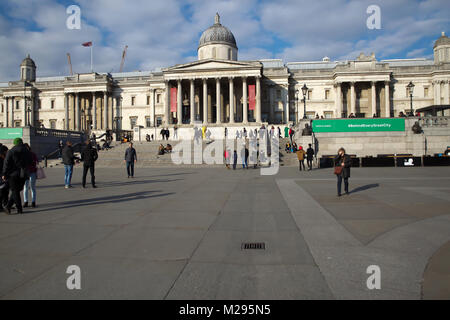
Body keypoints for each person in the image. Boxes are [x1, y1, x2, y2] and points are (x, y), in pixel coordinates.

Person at [2, 138, 32, 214]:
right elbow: (30, 161)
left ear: (15, 143)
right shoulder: (27, 151)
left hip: (12, 174)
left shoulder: (11, 151)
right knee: (17, 190)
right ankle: (10, 207)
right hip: (24, 173)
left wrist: (4, 173)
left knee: (15, 191)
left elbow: (6, 163)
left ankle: (17, 208)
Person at [23, 144, 38, 208]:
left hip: (27, 172)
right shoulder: (33, 154)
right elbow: (37, 162)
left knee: (26, 188)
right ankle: (32, 202)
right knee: (31, 187)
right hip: (32, 172)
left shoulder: (23, 154)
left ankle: (27, 202)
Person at [0, 145, 9, 211]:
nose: (7, 152)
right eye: (6, 151)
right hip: (2, 177)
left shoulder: (4, 157)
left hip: (4, 176)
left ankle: (5, 204)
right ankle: (3, 205)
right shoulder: (1, 158)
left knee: (5, 191)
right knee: (2, 192)